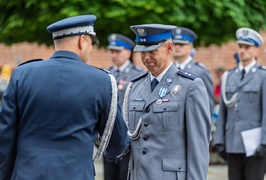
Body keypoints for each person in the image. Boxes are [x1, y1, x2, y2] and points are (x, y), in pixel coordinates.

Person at [0, 15, 129, 180]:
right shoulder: (102, 80)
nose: (91, 49)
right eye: (91, 43)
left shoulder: (22, 74)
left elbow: (5, 136)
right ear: (82, 40)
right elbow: (117, 142)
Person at [122, 24, 211, 180]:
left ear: (169, 48)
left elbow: (198, 148)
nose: (146, 57)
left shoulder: (190, 86)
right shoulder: (134, 87)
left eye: (152, 51)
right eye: (142, 51)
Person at [214, 27, 266, 180]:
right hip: (233, 142)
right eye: (240, 47)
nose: (242, 51)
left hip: (255, 145)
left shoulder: (263, 76)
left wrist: (265, 142)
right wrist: (219, 140)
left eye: (247, 47)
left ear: (256, 51)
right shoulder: (229, 76)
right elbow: (223, 111)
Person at [104, 33, 145, 180]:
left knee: (126, 175)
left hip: (128, 136)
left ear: (128, 52)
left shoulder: (138, 75)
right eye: (112, 51)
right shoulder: (106, 74)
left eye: (118, 51)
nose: (114, 55)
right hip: (109, 138)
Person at [171, 27, 214, 114]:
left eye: (181, 44)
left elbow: (208, 103)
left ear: (190, 47)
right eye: (175, 44)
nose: (177, 47)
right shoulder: (169, 69)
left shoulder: (201, 71)